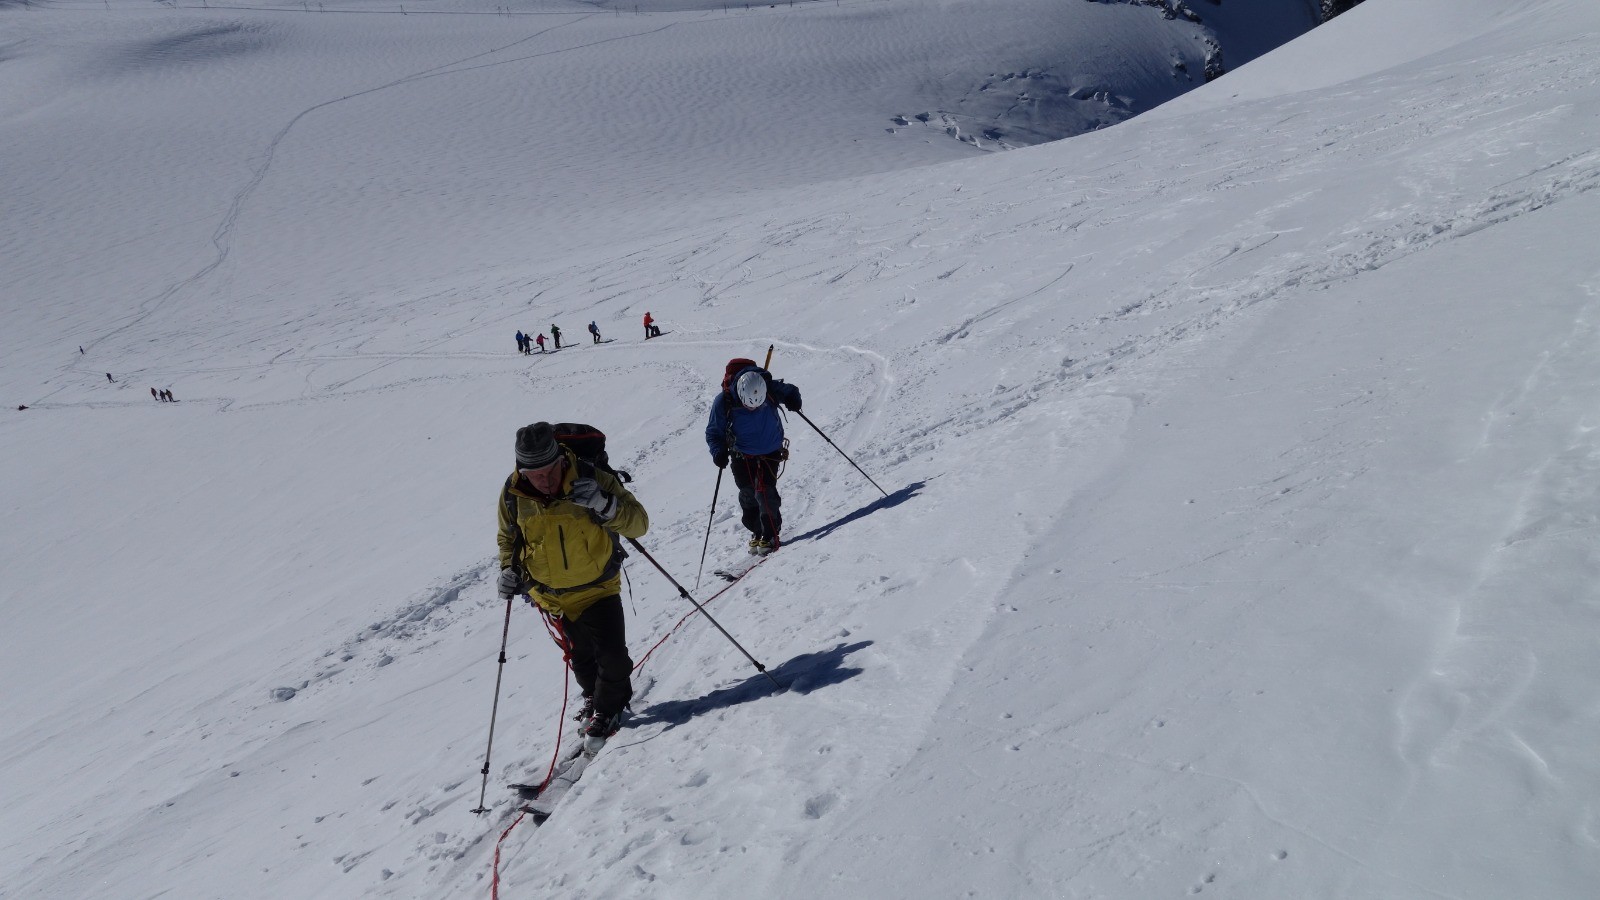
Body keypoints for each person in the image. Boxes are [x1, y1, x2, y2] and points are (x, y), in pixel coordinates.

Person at [497, 422, 649, 744]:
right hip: (550, 596)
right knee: (581, 658)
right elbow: (508, 539)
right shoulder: (513, 494)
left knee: (613, 657)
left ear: (561, 459)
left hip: (598, 588)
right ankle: (597, 700)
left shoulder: (591, 478)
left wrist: (605, 504)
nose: (545, 481)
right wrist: (508, 572)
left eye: (550, 471)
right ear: (522, 470)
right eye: (535, 475)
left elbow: (639, 522)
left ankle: (608, 711)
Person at [705, 359, 801, 555]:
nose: (752, 409)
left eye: (757, 406)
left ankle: (770, 533)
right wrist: (718, 452)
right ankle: (757, 530)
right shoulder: (724, 401)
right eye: (748, 406)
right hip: (741, 453)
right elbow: (714, 432)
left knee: (764, 491)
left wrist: (793, 399)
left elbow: (790, 390)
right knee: (747, 493)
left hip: (770, 450)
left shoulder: (767, 387)